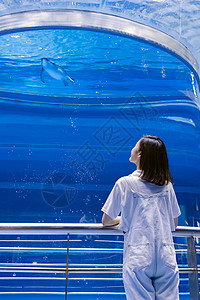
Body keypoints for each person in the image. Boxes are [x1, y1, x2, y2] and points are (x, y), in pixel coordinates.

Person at [101, 135, 181, 300]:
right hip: (166, 255)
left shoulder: (124, 183)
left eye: (135, 146)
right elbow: (173, 222)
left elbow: (106, 220)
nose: (132, 149)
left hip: (138, 256)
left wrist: (124, 219)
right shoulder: (167, 185)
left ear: (140, 155)